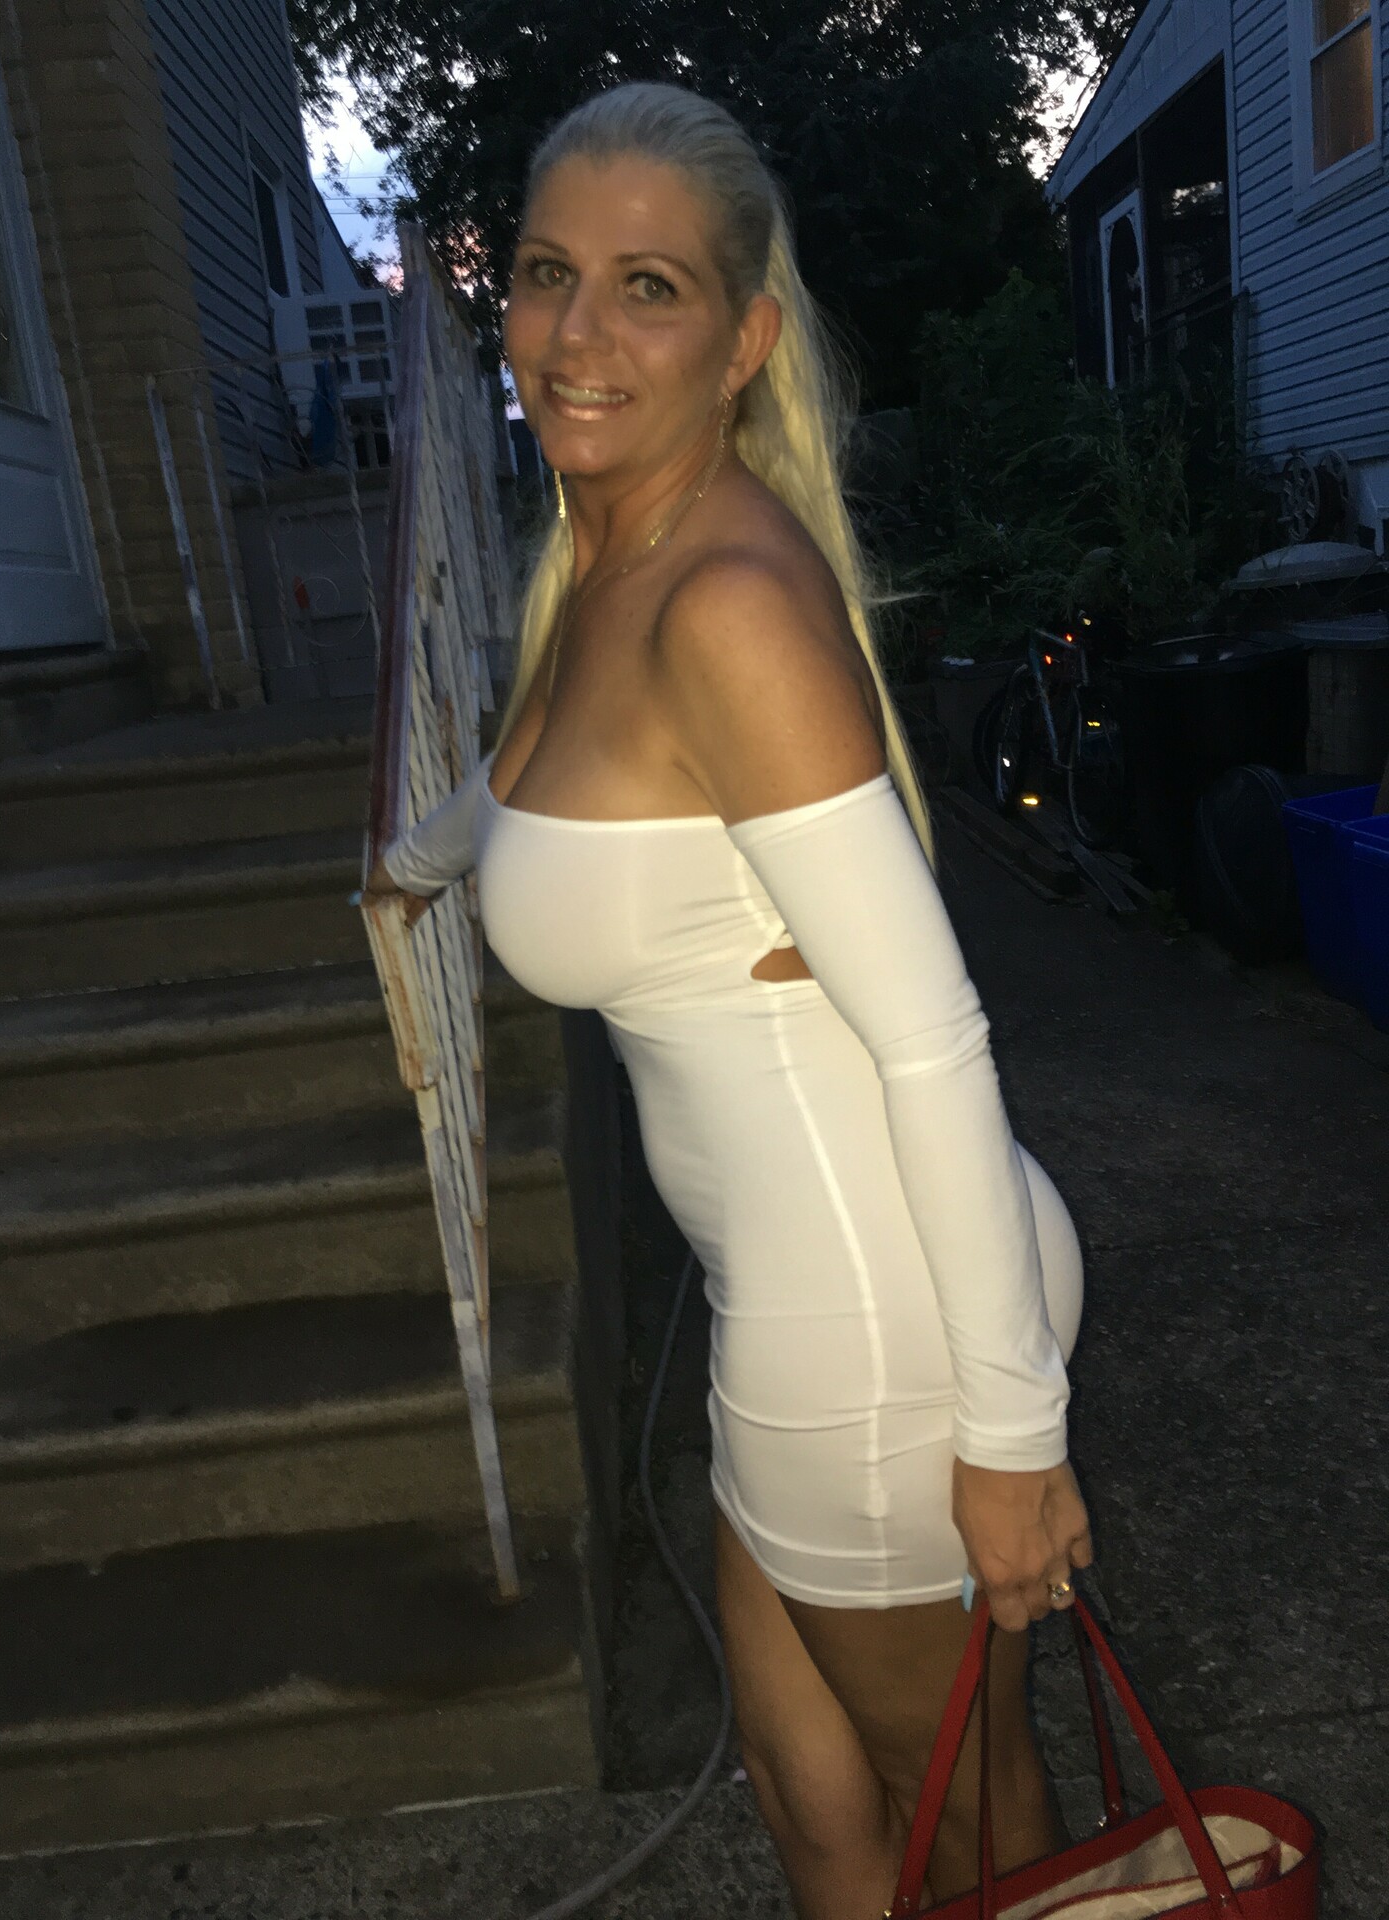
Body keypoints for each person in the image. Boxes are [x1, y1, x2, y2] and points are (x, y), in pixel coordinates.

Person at [363, 80, 1093, 1919]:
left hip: (884, 1326)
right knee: (811, 1800)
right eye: (547, 274)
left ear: (744, 343)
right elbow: (527, 791)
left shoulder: (726, 606)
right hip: (798, 1304)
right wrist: (412, 869)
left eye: (649, 289)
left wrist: (1014, 1444)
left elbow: (933, 1035)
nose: (578, 336)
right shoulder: (600, 567)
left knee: (975, 1831)